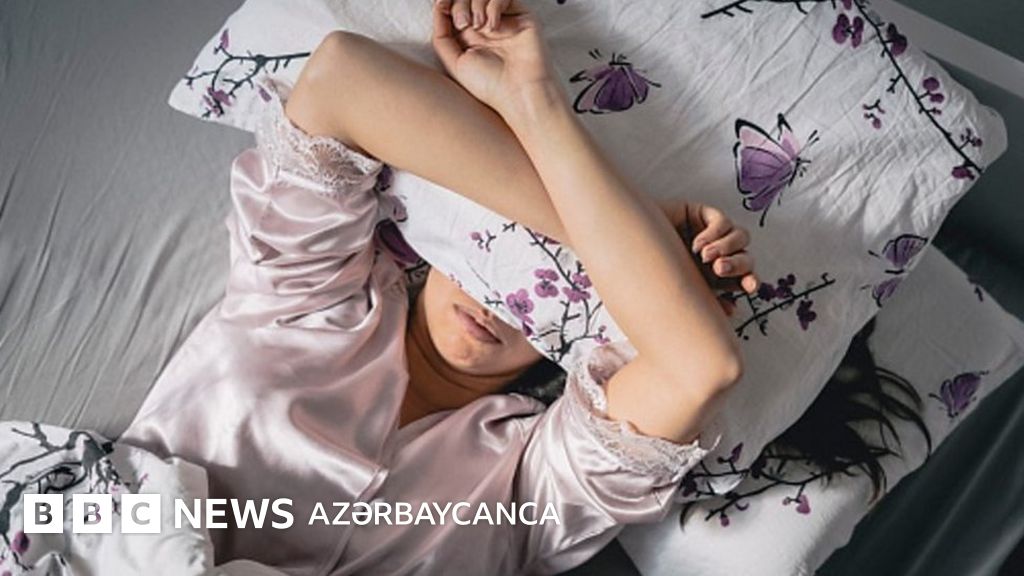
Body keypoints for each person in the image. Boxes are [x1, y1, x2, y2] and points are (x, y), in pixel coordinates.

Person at [123, 0, 761, 574]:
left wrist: (536, 105)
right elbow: (342, 77)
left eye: (534, 295)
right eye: (493, 260)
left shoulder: (529, 491)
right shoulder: (297, 296)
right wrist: (630, 231)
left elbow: (700, 366)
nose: (497, 300)